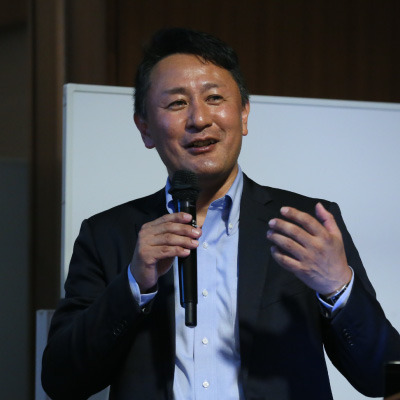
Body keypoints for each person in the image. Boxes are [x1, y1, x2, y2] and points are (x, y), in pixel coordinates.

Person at [42, 27, 400, 400]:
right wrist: (133, 285)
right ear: (145, 128)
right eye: (177, 103)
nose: (199, 118)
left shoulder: (306, 225)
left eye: (214, 97)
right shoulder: (108, 235)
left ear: (243, 114)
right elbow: (61, 381)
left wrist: (337, 287)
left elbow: (385, 377)